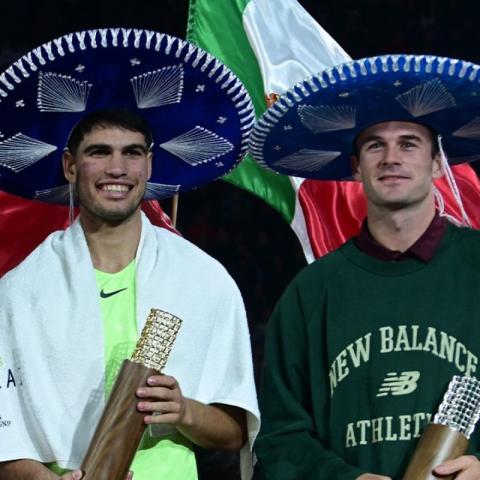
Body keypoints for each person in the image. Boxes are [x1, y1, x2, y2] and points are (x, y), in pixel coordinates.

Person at [0, 29, 259, 480]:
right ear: (70, 166)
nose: (117, 169)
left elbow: (234, 430)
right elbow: (7, 442)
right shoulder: (20, 290)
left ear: (150, 165)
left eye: (131, 153)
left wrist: (184, 410)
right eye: (99, 153)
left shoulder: (202, 279)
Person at [249, 54, 480, 479]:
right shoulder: (310, 292)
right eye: (375, 145)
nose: (391, 157)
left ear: (436, 163)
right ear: (356, 167)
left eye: (409, 143)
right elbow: (280, 439)